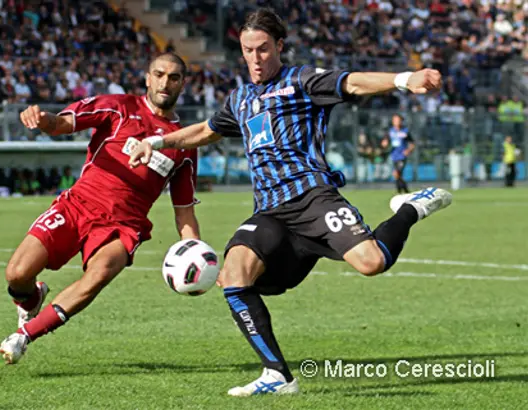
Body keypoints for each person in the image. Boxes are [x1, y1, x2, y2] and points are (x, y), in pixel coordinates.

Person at [129, 9, 452, 396]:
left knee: (373, 263)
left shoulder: (302, 81)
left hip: (314, 198)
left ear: (279, 46)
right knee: (234, 274)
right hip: (270, 212)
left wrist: (404, 79)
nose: (255, 58)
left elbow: (353, 83)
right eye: (248, 50)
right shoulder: (240, 98)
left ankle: (410, 208)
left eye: (263, 49)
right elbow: (204, 131)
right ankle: (277, 375)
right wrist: (157, 142)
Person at [0, 52, 202, 364]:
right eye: (159, 74)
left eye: (173, 77)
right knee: (17, 274)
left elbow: (184, 210)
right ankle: (33, 296)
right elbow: (62, 124)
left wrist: (196, 252)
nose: (165, 82)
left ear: (182, 84)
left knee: (99, 274)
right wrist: (42, 120)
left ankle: (24, 336)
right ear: (147, 77)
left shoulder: (183, 143)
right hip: (78, 205)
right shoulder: (119, 107)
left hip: (123, 226)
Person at [382, 114, 415, 193]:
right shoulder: (390, 131)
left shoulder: (405, 131)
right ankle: (405, 192)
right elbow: (385, 142)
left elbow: (412, 143)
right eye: (395, 120)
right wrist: (384, 143)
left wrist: (408, 150)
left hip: (402, 156)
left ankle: (400, 192)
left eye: (398, 120)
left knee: (396, 173)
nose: (396, 122)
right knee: (398, 175)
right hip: (394, 156)